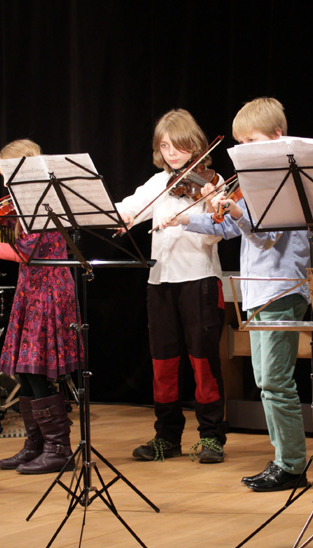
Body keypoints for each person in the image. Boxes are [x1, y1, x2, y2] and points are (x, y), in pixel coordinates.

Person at [161, 97, 311, 491]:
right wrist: (186, 219)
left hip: (281, 288)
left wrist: (235, 210)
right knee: (266, 381)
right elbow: (230, 228)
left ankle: (292, 465)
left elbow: (267, 236)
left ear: (277, 136)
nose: (243, 151)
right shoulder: (255, 181)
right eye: (240, 144)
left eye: (251, 141)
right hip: (258, 290)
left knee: (276, 381)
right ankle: (285, 460)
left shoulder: (285, 181)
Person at [0, 139, 79, 474]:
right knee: (24, 367)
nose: (5, 182)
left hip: (49, 290)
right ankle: (36, 444)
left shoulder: (45, 202)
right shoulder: (20, 201)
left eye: (7, 173)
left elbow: (26, 253)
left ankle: (59, 448)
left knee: (36, 368)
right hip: (30, 290)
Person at [116, 109, 227, 463]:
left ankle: (212, 436)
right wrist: (118, 215)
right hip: (160, 281)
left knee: (203, 363)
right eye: (164, 146)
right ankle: (167, 436)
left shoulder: (212, 183)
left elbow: (215, 234)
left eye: (178, 146)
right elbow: (129, 207)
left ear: (194, 144)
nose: (171, 153)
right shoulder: (157, 183)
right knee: (163, 364)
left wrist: (197, 212)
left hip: (199, 279)